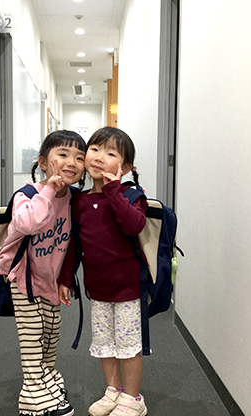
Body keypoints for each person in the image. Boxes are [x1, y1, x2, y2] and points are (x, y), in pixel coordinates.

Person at [58, 127, 148, 416]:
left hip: (128, 288)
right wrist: (66, 277)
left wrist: (113, 190)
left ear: (126, 167)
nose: (98, 157)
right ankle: (114, 390)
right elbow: (74, 243)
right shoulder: (80, 201)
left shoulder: (131, 195)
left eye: (110, 153)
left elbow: (134, 225)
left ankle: (133, 399)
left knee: (128, 346)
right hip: (97, 288)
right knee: (104, 344)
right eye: (94, 149)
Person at [0, 130, 86, 416]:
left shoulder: (73, 199)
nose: (72, 162)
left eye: (79, 157)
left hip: (50, 279)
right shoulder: (27, 194)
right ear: (44, 162)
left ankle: (46, 378)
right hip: (23, 278)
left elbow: (75, 242)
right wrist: (48, 190)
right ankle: (32, 397)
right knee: (32, 336)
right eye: (63, 154)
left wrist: (65, 279)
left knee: (51, 333)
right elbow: (28, 224)